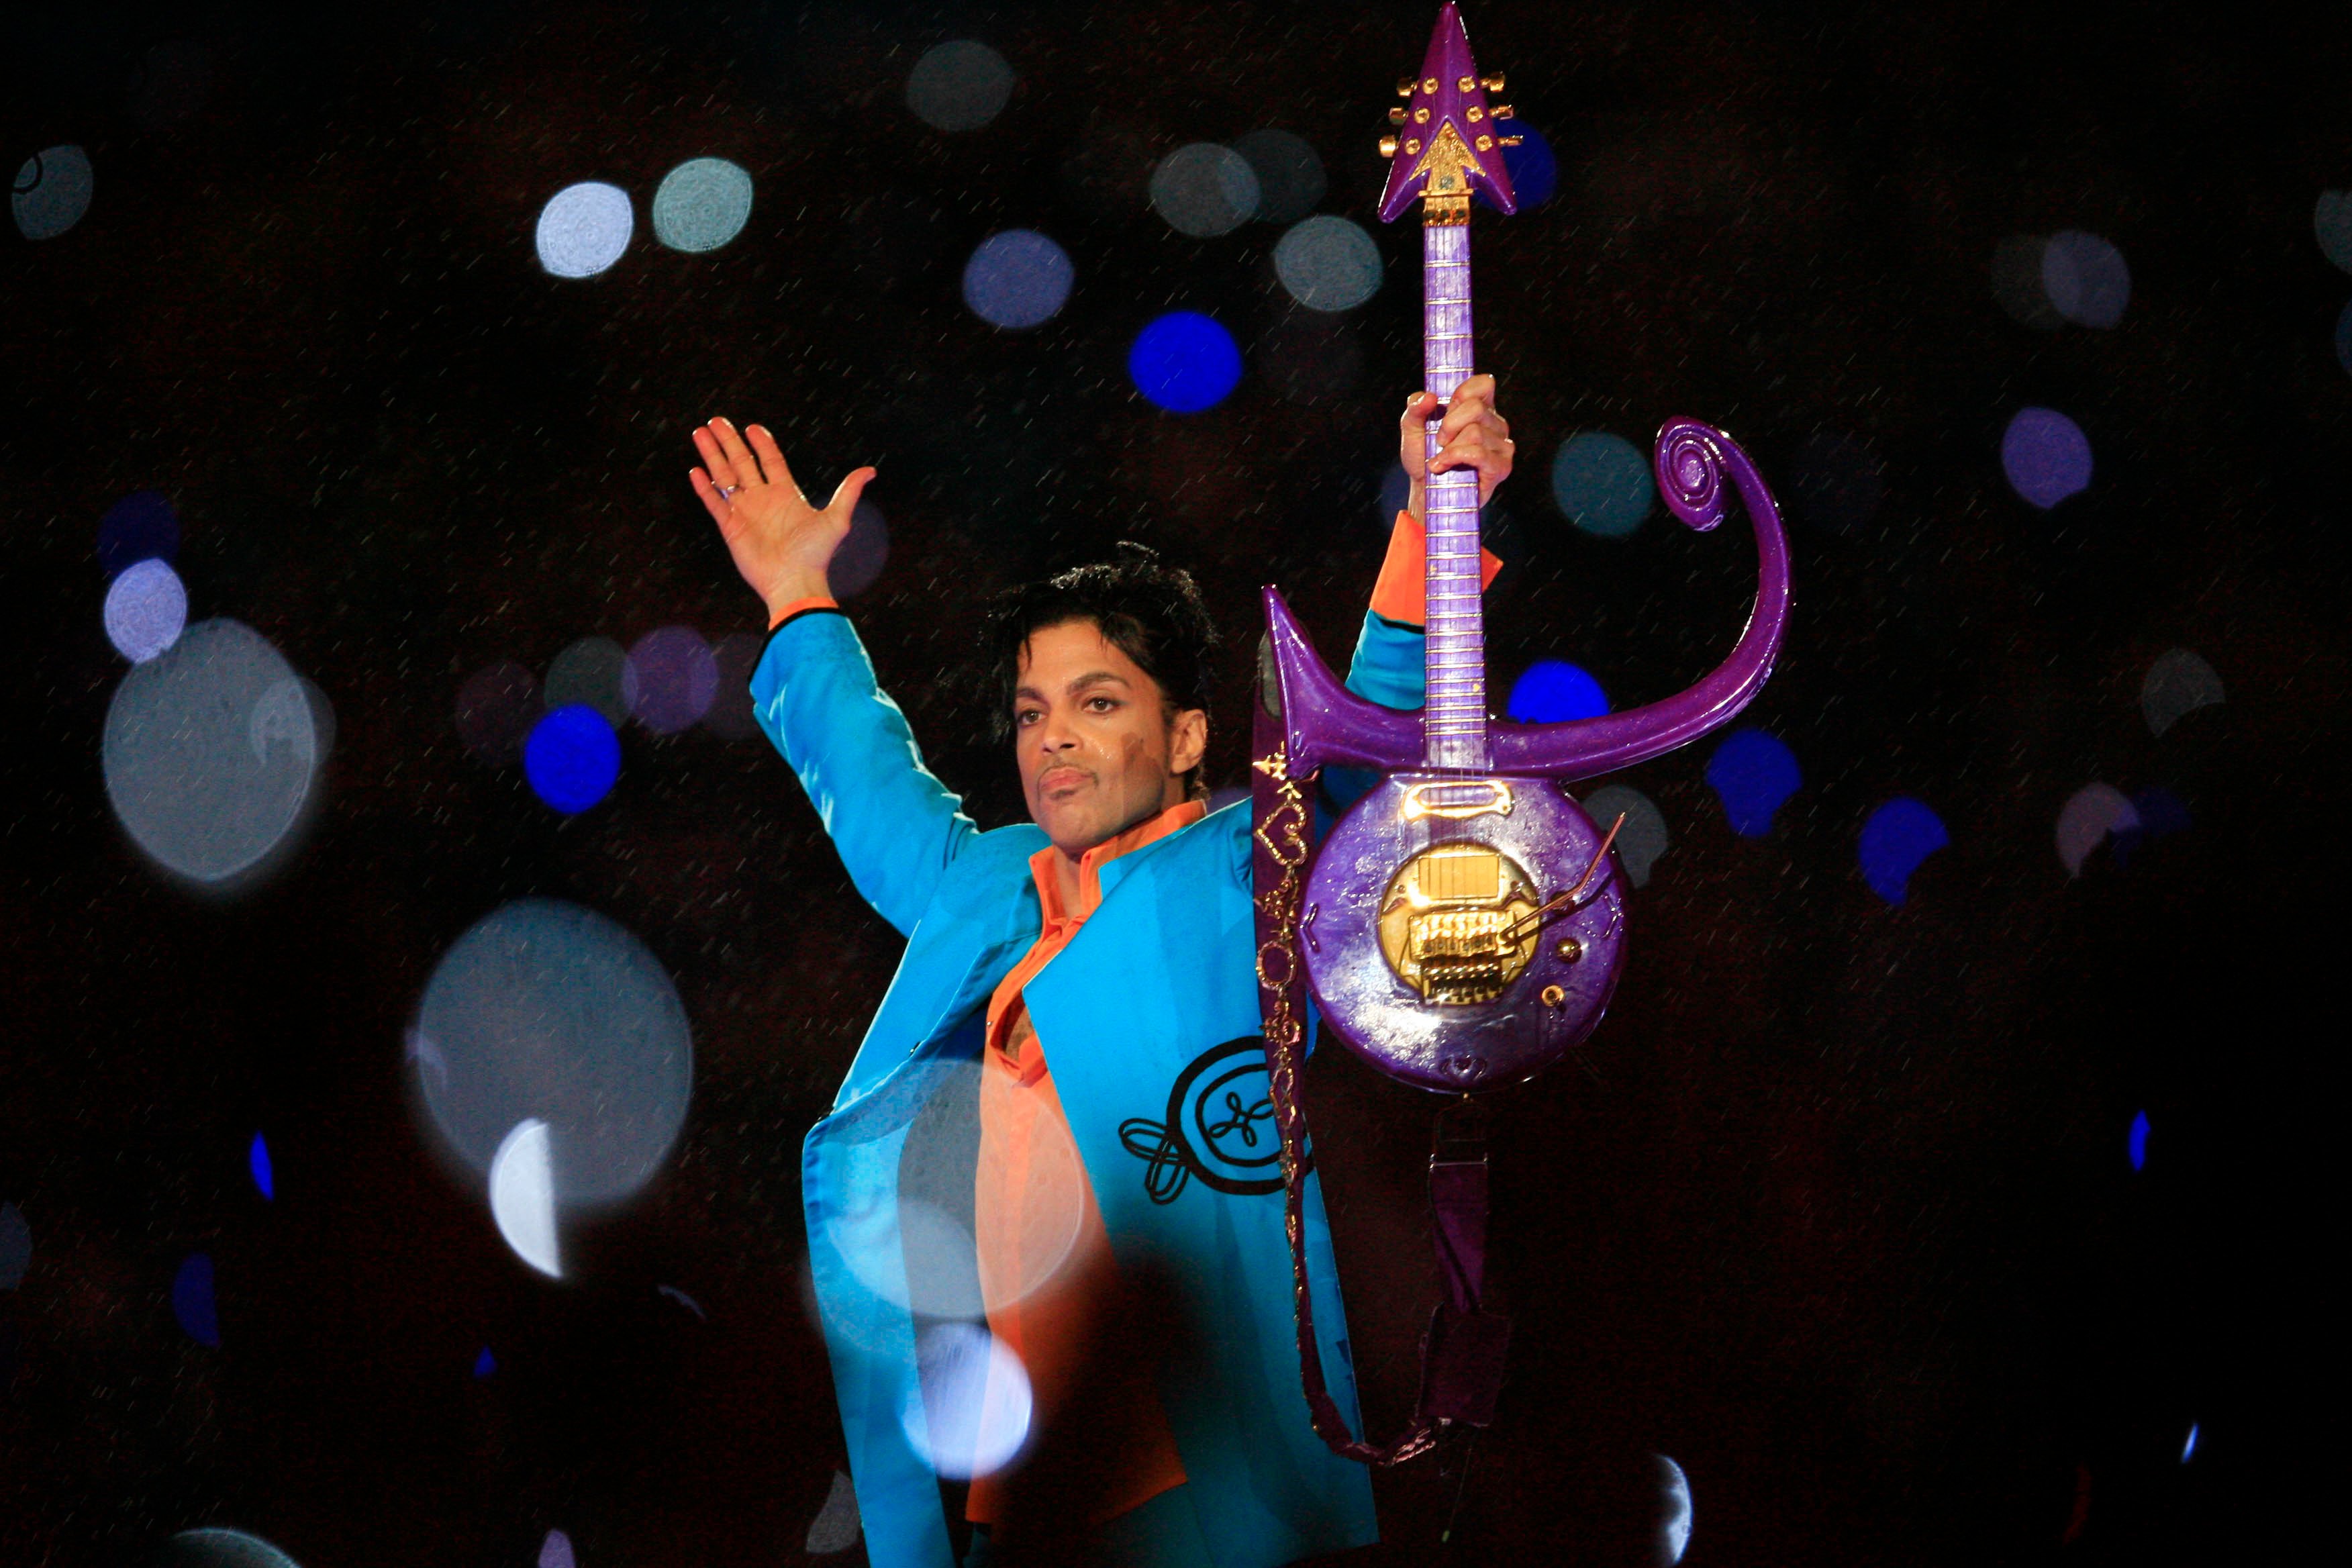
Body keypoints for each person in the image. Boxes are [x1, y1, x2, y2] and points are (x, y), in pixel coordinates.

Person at [688, 381, 1514, 1568]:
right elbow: (871, 785)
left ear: (1184, 738)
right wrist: (797, 596)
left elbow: (1374, 740)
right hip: (1016, 1483)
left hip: (1199, 1458)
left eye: (1099, 703)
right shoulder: (993, 885)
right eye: (1032, 714)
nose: (1054, 737)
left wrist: (1436, 525)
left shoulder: (1249, 864)